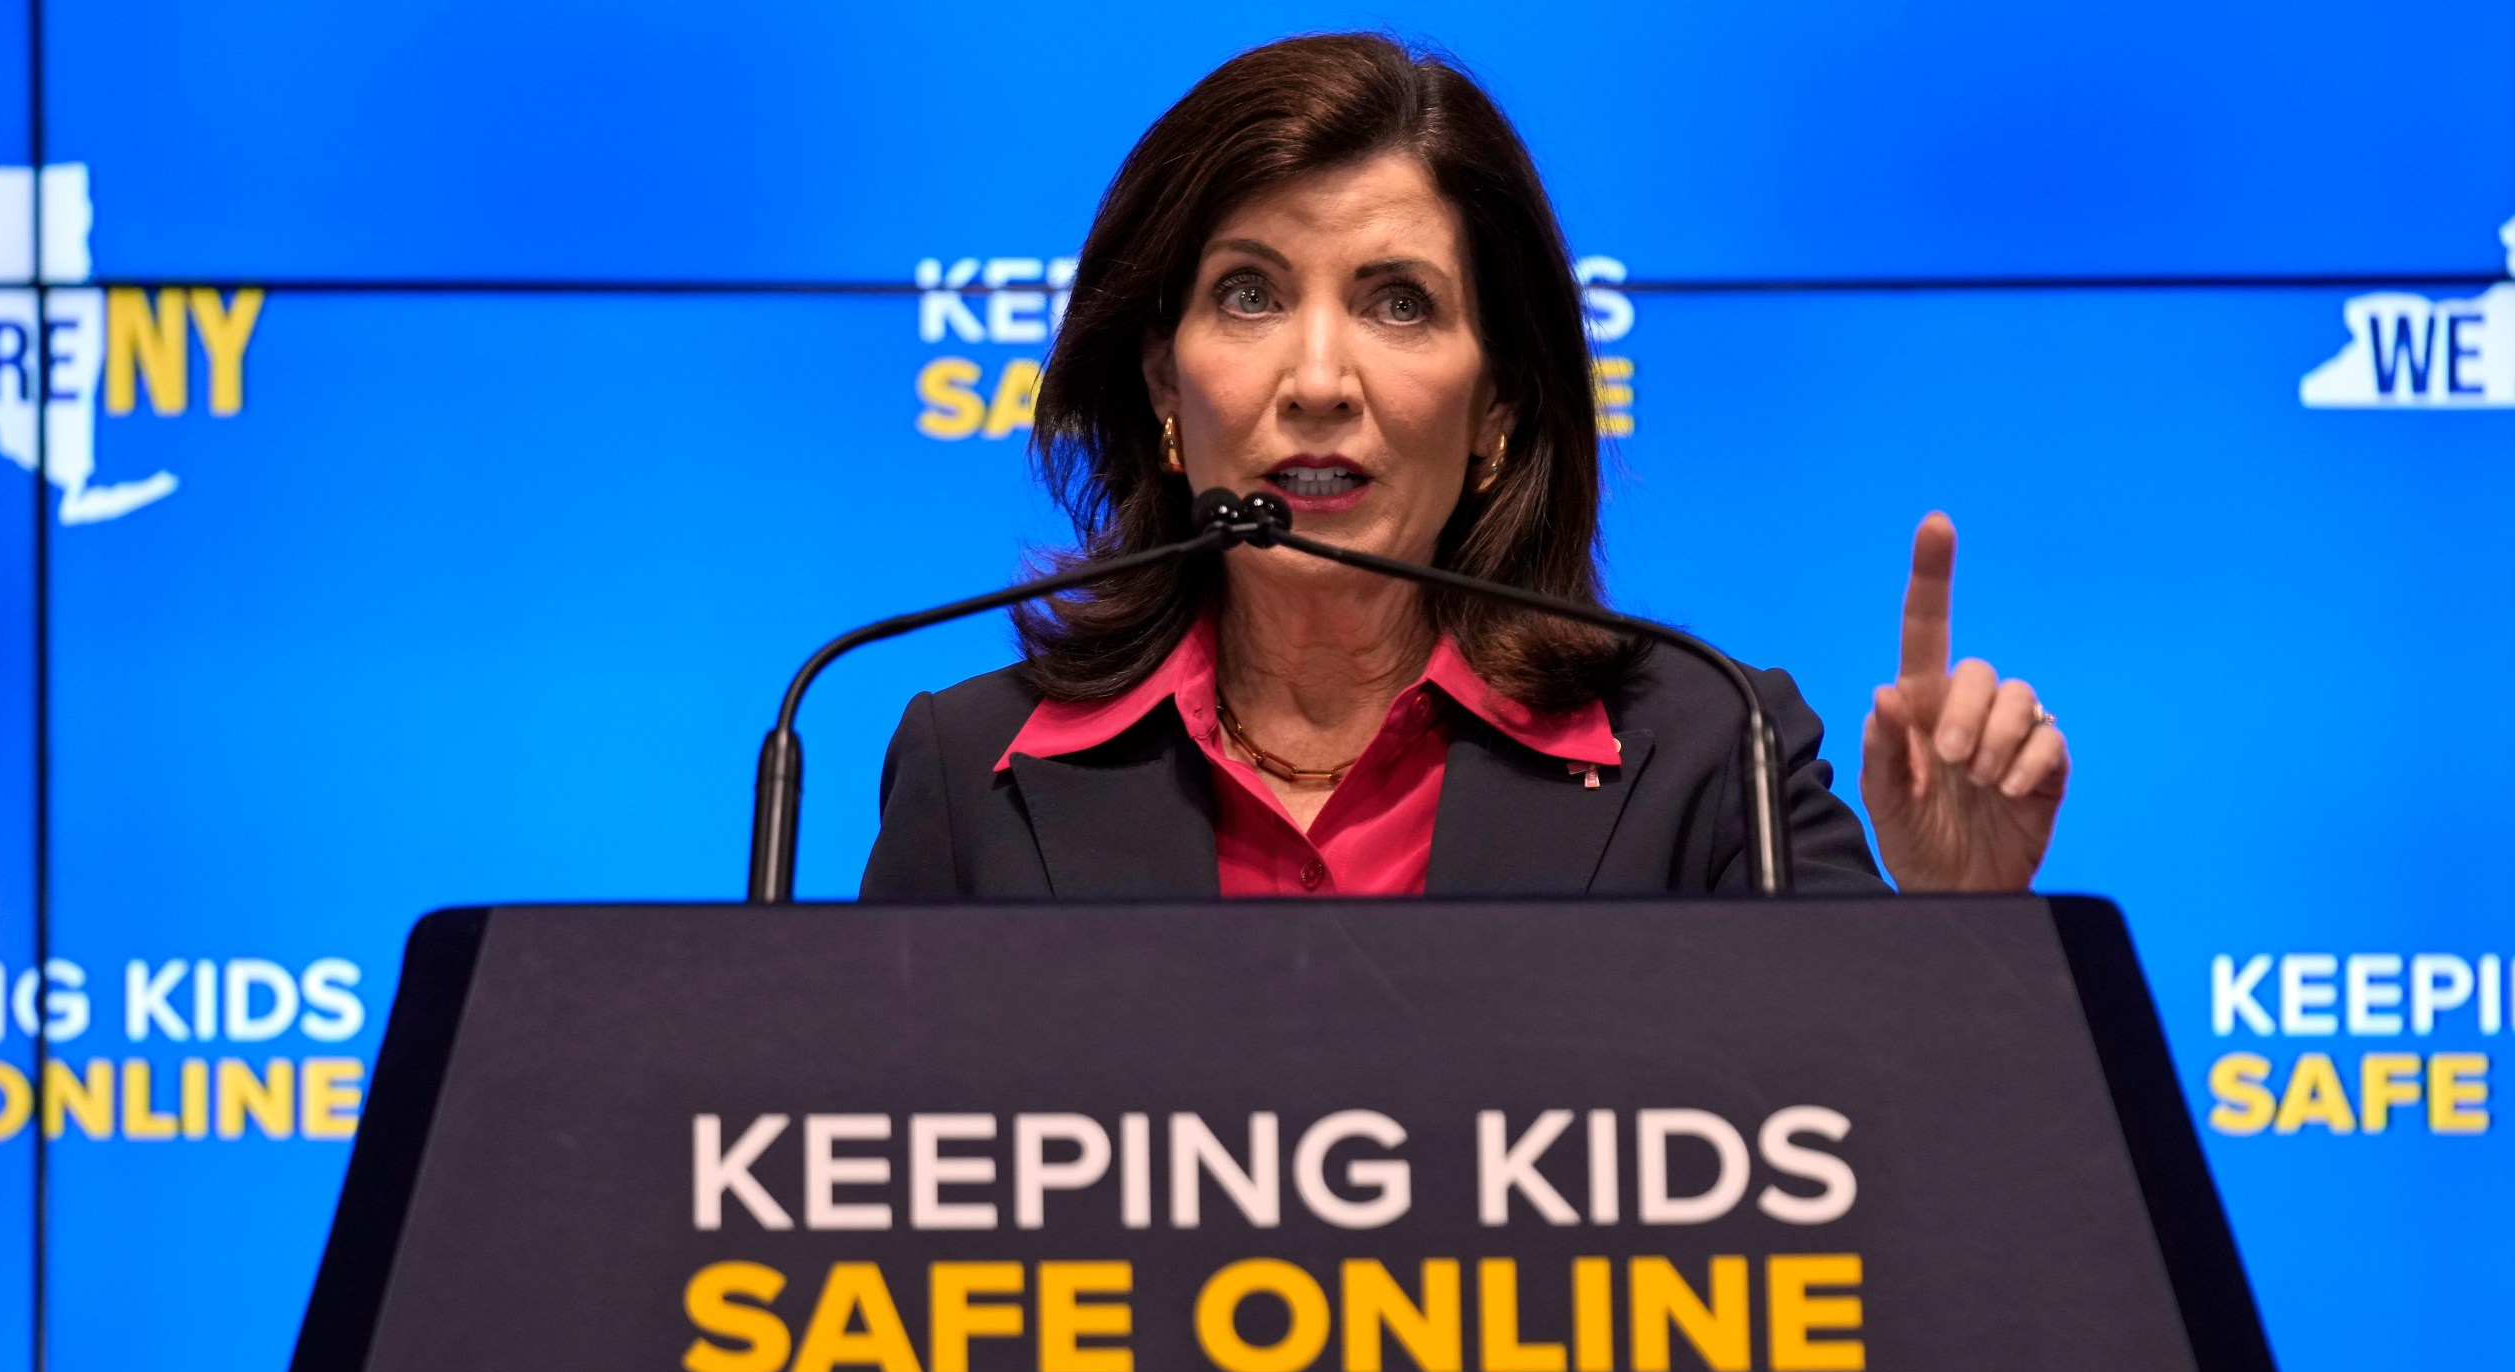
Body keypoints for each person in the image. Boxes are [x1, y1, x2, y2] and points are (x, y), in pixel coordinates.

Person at [861, 33, 2067, 900]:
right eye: (1248, 296)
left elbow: (1889, 1203)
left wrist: (1963, 926)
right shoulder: (974, 778)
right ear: (1162, 387)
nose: (1319, 379)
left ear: (1498, 405)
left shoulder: (1713, 755)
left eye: (1397, 304)